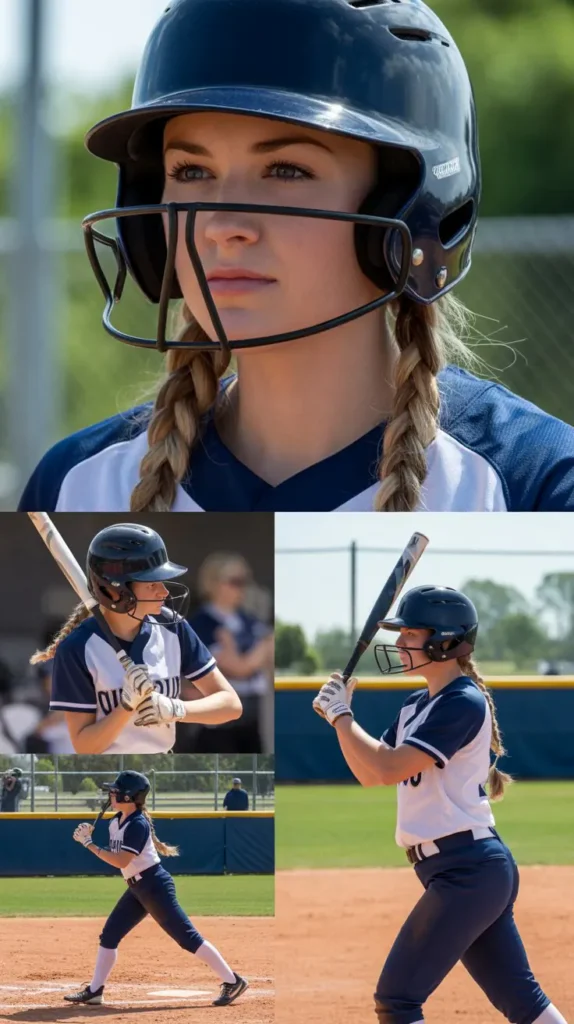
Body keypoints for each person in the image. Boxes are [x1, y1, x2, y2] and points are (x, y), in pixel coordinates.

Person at [17, 0, 574, 515]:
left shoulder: (533, 484)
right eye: (191, 172)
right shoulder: (76, 485)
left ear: (415, 209)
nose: (222, 226)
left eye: (287, 171)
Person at [312, 585, 567, 1024]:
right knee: (524, 1003)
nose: (398, 643)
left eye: (411, 634)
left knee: (397, 1000)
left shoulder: (461, 702)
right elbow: (370, 773)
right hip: (462, 870)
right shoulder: (416, 704)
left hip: (467, 870)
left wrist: (342, 716)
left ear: (445, 642)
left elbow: (389, 767)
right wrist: (341, 719)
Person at [29, 523, 242, 755]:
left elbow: (231, 704)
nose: (164, 592)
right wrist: (126, 706)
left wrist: (175, 708)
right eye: (152, 583)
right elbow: (85, 746)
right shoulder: (77, 648)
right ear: (115, 592)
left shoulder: (172, 627)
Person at [65, 770, 248, 1007]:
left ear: (129, 797)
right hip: (136, 888)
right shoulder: (115, 822)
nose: (111, 795)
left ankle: (233, 980)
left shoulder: (137, 824)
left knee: (187, 938)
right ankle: (95, 990)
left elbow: (121, 861)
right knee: (109, 935)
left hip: (153, 885)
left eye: (116, 792)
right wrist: (91, 840)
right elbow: (119, 859)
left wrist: (88, 843)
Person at [188, 553, 273, 753]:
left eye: (245, 581)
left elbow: (262, 662)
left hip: (252, 712)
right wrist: (264, 645)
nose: (242, 588)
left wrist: (248, 654)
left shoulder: (248, 620)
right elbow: (238, 667)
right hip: (218, 720)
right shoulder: (201, 623)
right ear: (213, 583)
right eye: (235, 581)